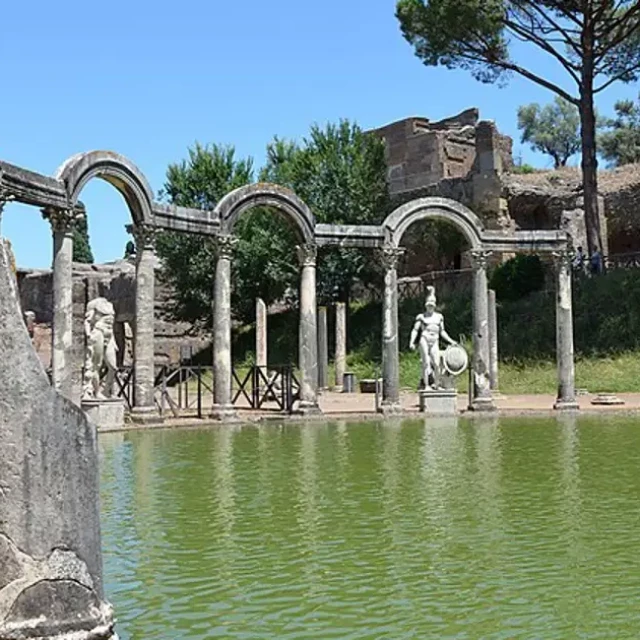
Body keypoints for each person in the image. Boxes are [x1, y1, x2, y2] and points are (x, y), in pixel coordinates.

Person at [409, 286, 456, 390]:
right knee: (425, 362)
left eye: (432, 304)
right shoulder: (421, 317)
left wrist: (451, 341)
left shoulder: (439, 317)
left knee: (436, 363)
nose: (430, 307)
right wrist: (412, 342)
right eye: (428, 304)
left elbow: (442, 332)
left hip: (435, 340)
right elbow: (415, 330)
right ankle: (426, 385)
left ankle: (437, 384)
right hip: (424, 339)